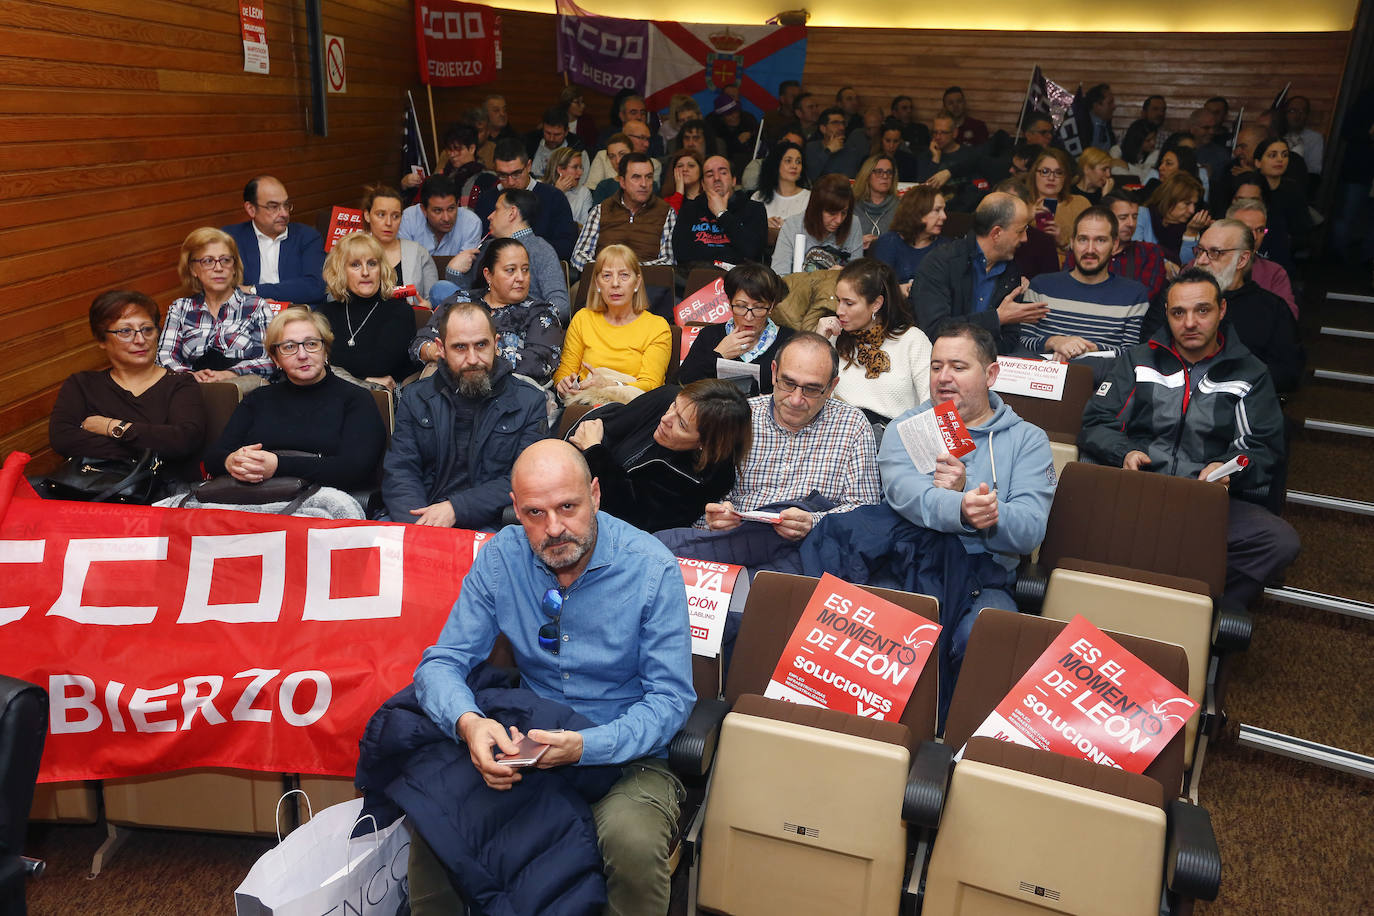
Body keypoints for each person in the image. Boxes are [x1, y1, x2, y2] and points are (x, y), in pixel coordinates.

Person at [408, 439, 695, 915]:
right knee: (438, 820)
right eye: (535, 514)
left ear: (596, 495)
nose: (555, 528)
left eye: (568, 507)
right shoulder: (501, 559)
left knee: (631, 844)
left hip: (628, 750)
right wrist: (469, 723)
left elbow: (669, 700)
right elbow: (442, 662)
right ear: (515, 509)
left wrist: (587, 746)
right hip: (531, 737)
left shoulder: (651, 568)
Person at [1079, 269, 1300, 608]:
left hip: (1204, 499)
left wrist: (1229, 469)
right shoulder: (1138, 361)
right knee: (1068, 514)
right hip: (1139, 490)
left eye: (1202, 310)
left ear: (1221, 310)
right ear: (1167, 313)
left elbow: (1259, 449)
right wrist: (1124, 452)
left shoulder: (1249, 373)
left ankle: (1206, 607)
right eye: (1178, 313)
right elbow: (1095, 423)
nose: (1190, 322)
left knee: (1279, 542)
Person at [878, 320, 1054, 665]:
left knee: (984, 637)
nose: (944, 377)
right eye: (936, 366)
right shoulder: (906, 427)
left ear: (990, 375)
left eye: (958, 367)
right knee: (877, 628)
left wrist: (974, 500)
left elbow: (1030, 529)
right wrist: (963, 508)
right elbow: (904, 495)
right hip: (909, 564)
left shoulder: (1028, 440)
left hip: (984, 576)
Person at [657, 333, 880, 568]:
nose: (795, 399)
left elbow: (866, 511)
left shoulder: (852, 424)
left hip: (808, 551)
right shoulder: (742, 417)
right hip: (734, 543)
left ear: (832, 386)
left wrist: (813, 522)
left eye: (811, 390)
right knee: (659, 552)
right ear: (773, 372)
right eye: (788, 383)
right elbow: (702, 494)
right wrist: (717, 516)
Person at [382, 301, 548, 528]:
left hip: (490, 521)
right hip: (421, 514)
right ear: (440, 348)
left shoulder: (529, 402)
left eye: (481, 345)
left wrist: (456, 509)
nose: (472, 359)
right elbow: (401, 470)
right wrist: (420, 526)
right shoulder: (415, 398)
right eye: (460, 347)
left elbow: (523, 479)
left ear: (496, 344)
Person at [207, 306, 387, 492]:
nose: (302, 355)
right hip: (252, 497)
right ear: (275, 359)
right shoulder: (258, 399)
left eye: (311, 344)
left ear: (325, 351)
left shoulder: (356, 399)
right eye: (289, 347)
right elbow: (214, 457)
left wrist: (277, 466)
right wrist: (231, 462)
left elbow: (354, 469)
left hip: (323, 501)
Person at [50, 290, 207, 481]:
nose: (140, 340)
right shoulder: (82, 384)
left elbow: (183, 441)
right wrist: (150, 447)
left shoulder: (181, 384)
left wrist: (113, 427)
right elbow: (62, 438)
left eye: (147, 329)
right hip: (95, 489)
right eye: (125, 331)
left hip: (163, 494)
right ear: (101, 340)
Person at [567, 379, 753, 532]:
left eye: (681, 424)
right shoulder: (667, 397)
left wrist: (594, 450)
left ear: (705, 444)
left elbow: (631, 516)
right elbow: (605, 425)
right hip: (573, 481)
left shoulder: (703, 480)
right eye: (674, 406)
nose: (665, 418)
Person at [1019, 207, 1150, 383]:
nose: (1090, 249)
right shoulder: (1041, 286)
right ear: (1072, 243)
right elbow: (1022, 343)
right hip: (1040, 383)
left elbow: (1131, 354)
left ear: (1115, 245)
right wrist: (1054, 342)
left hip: (1100, 389)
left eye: (1100, 240)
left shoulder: (1134, 295)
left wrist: (1090, 349)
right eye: (1083, 240)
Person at [414, 238, 563, 387]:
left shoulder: (542, 313)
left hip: (511, 394)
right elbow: (419, 343)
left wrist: (476, 357)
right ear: (488, 275)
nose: (521, 278)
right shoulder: (460, 301)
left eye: (525, 269)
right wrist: (432, 351)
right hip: (451, 388)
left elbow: (539, 363)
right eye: (511, 270)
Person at [912, 192, 1041, 352]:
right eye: (1020, 231)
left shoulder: (1011, 270)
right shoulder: (940, 263)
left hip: (987, 367)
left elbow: (1009, 338)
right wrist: (996, 318)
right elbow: (934, 330)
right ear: (996, 233)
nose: (1025, 239)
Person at [1190, 220, 1304, 393]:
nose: (1202, 260)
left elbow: (1288, 374)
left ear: (1242, 260)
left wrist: (1229, 380)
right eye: (1200, 251)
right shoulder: (1174, 298)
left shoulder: (1272, 309)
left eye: (1215, 252)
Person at [816, 258, 932, 423]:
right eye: (838, 300)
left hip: (891, 440)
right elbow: (805, 392)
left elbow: (933, 404)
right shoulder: (833, 335)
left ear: (876, 304)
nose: (839, 311)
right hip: (837, 438)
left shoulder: (912, 340)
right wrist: (818, 340)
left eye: (849, 303)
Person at [158, 227, 276, 385]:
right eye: (208, 261)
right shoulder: (180, 308)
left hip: (245, 391)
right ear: (193, 269)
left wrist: (230, 373)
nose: (219, 268)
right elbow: (164, 357)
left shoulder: (257, 306)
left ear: (234, 267)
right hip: (192, 389)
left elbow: (269, 360)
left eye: (226, 260)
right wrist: (190, 376)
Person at [554, 245, 672, 397]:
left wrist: (610, 386)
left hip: (632, 408)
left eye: (624, 275)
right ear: (597, 283)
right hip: (583, 404)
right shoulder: (583, 318)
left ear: (637, 282)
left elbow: (651, 384)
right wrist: (563, 384)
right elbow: (565, 371)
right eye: (607, 276)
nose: (615, 283)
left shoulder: (657, 327)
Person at [440, 188, 570, 322]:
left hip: (521, 328)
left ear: (512, 213)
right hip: (479, 324)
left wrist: (526, 319)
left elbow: (561, 306)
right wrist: (454, 271)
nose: (490, 216)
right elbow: (467, 297)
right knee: (441, 289)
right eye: (511, 270)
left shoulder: (540, 249)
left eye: (496, 209)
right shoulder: (487, 247)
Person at [316, 232, 417, 392]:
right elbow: (314, 363)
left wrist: (342, 371)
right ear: (341, 271)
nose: (365, 272)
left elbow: (379, 365)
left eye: (372, 263)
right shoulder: (324, 313)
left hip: (384, 401)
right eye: (355, 264)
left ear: (381, 269)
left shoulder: (400, 311)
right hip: (333, 395)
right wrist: (362, 381)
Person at [679, 262, 794, 394]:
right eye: (740, 306)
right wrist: (718, 355)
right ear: (729, 302)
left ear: (771, 306)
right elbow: (682, 383)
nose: (749, 317)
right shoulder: (709, 335)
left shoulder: (789, 341)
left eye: (758, 307)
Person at [223, 175, 327, 305]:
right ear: (251, 209)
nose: (284, 213)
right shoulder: (229, 238)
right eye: (273, 206)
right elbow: (223, 288)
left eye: (286, 205)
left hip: (296, 314)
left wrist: (254, 290)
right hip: (247, 312)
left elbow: (315, 287)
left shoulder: (307, 237)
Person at [476, 139, 579, 262]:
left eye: (516, 173)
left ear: (529, 166)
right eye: (502, 175)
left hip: (543, 267)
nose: (510, 182)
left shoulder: (553, 197)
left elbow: (566, 247)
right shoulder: (487, 199)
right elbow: (481, 247)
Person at [571, 153, 676, 271]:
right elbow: (579, 255)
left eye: (649, 177)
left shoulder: (665, 212)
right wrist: (609, 272)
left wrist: (628, 271)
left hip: (647, 283)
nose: (644, 184)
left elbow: (668, 260)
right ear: (622, 182)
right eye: (636, 177)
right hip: (602, 282)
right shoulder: (602, 210)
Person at [1064, 192, 1168, 303]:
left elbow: (1143, 296)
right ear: (1105, 219)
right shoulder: (1085, 251)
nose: (1131, 224)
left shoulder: (1149, 252)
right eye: (1123, 217)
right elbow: (1068, 288)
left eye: (1135, 217)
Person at [672, 156, 768, 271]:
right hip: (697, 278)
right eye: (710, 175)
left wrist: (722, 214)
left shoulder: (754, 209)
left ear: (733, 181)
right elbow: (681, 254)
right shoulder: (689, 209)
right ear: (703, 184)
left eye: (723, 173)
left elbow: (752, 252)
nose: (716, 178)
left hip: (740, 280)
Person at [361, 184, 436, 310]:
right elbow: (334, 296)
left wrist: (427, 309)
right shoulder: (351, 251)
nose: (389, 223)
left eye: (395, 216)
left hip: (409, 323)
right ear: (367, 215)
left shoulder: (418, 252)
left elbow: (433, 300)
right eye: (381, 215)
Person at [1222, 197, 1299, 319]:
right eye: (1246, 229)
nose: (1254, 236)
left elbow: (1289, 316)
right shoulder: (1203, 264)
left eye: (1260, 230)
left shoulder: (1274, 272)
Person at [771, 174, 863, 275]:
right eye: (832, 213)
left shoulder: (853, 223)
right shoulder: (793, 226)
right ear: (816, 210)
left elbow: (858, 276)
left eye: (844, 213)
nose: (839, 220)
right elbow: (779, 275)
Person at [870, 187, 949, 291]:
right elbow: (877, 287)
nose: (944, 216)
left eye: (943, 210)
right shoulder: (889, 242)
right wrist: (898, 291)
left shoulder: (947, 248)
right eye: (937, 210)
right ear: (918, 212)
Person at [399, 175, 483, 257]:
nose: (446, 218)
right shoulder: (408, 218)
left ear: (457, 204)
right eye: (438, 210)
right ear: (423, 209)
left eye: (451, 208)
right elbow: (406, 263)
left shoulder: (471, 223)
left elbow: (465, 266)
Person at [1252, 137, 1312, 252]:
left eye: (1285, 155)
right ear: (1258, 162)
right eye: (1273, 155)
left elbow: (1303, 230)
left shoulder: (1293, 190)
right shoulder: (1250, 187)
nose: (1280, 159)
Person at [1025, 146, 1087, 253]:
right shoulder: (1021, 205)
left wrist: (1063, 242)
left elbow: (1090, 248)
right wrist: (1026, 217)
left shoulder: (1080, 204)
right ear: (1034, 174)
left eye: (1058, 173)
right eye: (1045, 171)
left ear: (1065, 177)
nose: (1051, 178)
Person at [751, 140, 811, 248]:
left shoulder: (810, 198)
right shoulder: (758, 196)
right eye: (788, 161)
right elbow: (747, 232)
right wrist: (763, 225)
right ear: (776, 164)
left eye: (798, 162)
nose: (794, 166)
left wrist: (787, 228)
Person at [852, 155, 899, 250]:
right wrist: (857, 243)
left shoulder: (902, 207)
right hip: (856, 261)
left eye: (889, 172)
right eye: (879, 172)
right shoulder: (851, 206)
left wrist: (881, 242)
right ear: (867, 175)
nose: (885, 176)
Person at [804, 107, 862, 181]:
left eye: (843, 123)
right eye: (835, 123)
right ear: (823, 129)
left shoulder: (852, 150)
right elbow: (811, 176)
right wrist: (828, 151)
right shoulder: (811, 147)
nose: (842, 127)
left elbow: (848, 179)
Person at [526, 106, 584, 179]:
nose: (551, 139)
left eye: (557, 134)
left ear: (566, 132)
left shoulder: (577, 149)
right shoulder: (528, 144)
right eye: (547, 133)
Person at [545, 146, 593, 226]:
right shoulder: (542, 188)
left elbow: (586, 227)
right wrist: (558, 193)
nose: (580, 172)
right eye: (575, 167)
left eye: (581, 167)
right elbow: (541, 220)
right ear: (560, 170)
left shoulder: (584, 192)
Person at [659, 148, 703, 214]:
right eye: (680, 166)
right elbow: (667, 220)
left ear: (701, 171)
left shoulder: (710, 197)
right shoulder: (666, 201)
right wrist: (679, 193)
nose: (685, 169)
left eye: (691, 166)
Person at [560, 84, 599, 150]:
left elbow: (592, 146)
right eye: (577, 102)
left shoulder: (587, 121)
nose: (583, 105)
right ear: (567, 103)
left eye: (582, 102)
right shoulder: (556, 120)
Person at [1086, 83, 1117, 149]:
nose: (1114, 106)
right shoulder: (1082, 126)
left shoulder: (1107, 125)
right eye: (1110, 103)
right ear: (1097, 106)